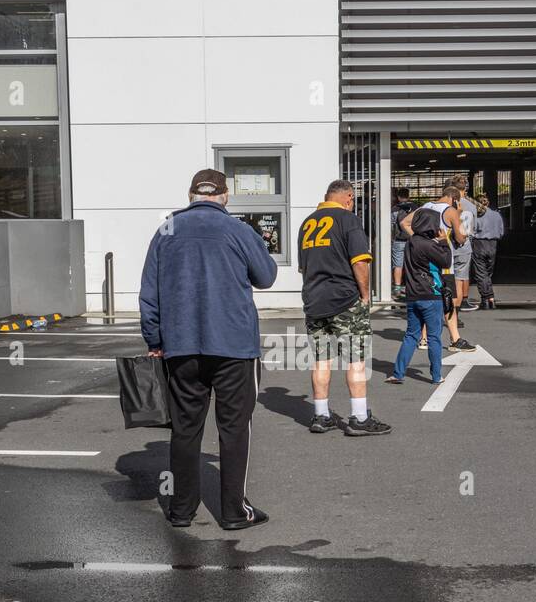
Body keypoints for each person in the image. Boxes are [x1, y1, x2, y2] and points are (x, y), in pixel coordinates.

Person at [139, 168, 277, 530]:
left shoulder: (166, 229)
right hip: (233, 345)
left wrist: (154, 340)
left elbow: (149, 294)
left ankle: (181, 510)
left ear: (190, 196)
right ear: (225, 195)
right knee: (234, 428)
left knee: (185, 428)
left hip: (181, 346)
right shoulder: (238, 229)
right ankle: (234, 512)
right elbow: (266, 277)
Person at [298, 179, 391, 436]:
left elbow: (304, 269)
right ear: (348, 198)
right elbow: (360, 262)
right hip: (344, 299)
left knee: (321, 360)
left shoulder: (307, 224)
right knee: (356, 361)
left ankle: (321, 415)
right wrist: (364, 295)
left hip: (314, 301)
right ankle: (359, 418)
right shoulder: (348, 220)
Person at [399, 181, 475, 353]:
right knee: (448, 302)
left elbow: (404, 223)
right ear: (454, 199)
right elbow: (461, 238)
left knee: (427, 298)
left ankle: (423, 339)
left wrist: (418, 239)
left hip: (423, 263)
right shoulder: (451, 211)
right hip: (443, 262)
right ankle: (455, 339)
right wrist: (459, 216)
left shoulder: (425, 207)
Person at [385, 208, 455, 385]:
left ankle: (398, 373)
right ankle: (436, 375)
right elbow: (446, 262)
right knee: (434, 337)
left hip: (412, 295)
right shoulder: (430, 245)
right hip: (431, 294)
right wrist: (444, 242)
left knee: (411, 335)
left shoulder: (411, 242)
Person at [447, 173, 479, 313]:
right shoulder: (472, 206)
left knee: (447, 279)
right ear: (465, 188)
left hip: (449, 244)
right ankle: (457, 312)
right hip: (465, 245)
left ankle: (447, 309)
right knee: (460, 280)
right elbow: (474, 227)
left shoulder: (449, 204)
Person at [472, 192, 505, 309]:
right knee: (488, 273)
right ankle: (489, 298)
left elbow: (472, 230)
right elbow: (501, 232)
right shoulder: (496, 215)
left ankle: (487, 298)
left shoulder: (476, 215)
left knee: (481, 273)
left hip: (479, 243)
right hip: (493, 244)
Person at [390, 185, 417, 300]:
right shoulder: (415, 208)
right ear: (408, 196)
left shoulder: (395, 209)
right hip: (413, 239)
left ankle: (397, 288)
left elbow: (391, 224)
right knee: (412, 263)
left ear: (398, 197)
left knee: (398, 264)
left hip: (398, 240)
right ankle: (412, 286)